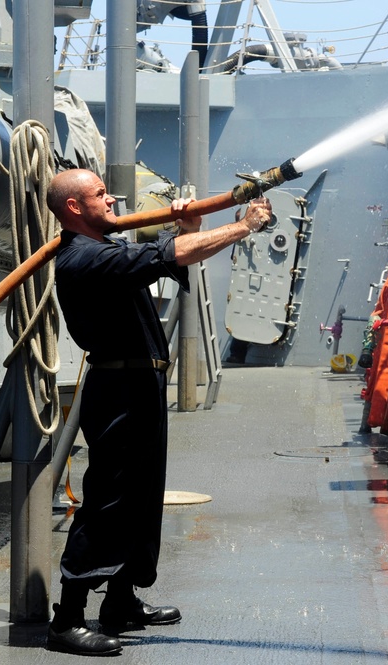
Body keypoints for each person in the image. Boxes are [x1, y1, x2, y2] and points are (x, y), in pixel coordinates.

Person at [44, 169, 272, 656]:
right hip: (118, 389)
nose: (112, 200)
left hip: (141, 383)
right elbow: (163, 255)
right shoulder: (83, 257)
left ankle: (120, 604)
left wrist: (187, 226)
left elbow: (171, 254)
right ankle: (66, 619)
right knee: (109, 499)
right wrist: (243, 226)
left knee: (142, 497)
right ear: (74, 209)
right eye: (100, 195)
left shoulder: (105, 251)